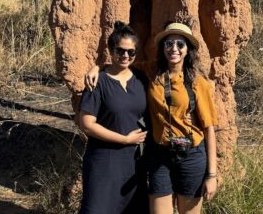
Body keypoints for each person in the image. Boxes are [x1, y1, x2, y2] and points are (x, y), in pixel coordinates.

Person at [86, 21, 218, 214]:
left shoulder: (198, 82)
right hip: (160, 155)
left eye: (180, 44)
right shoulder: (151, 71)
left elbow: (209, 128)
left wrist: (212, 174)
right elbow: (122, 64)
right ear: (162, 47)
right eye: (169, 43)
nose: (174, 49)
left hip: (190, 156)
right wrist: (97, 68)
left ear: (188, 49)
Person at [78, 21, 149, 214]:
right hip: (104, 160)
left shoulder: (141, 80)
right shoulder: (98, 81)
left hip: (134, 163)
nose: (125, 55)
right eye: (120, 50)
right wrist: (125, 139)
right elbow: (86, 124)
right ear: (111, 50)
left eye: (131, 52)